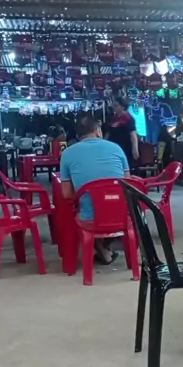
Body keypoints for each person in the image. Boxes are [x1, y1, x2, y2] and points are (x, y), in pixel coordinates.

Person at [60, 113, 130, 264]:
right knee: (110, 205)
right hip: (121, 216)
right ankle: (106, 250)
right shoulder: (116, 148)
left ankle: (102, 250)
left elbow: (67, 194)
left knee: (86, 210)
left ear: (78, 136)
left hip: (90, 220)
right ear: (98, 131)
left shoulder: (67, 154)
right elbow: (128, 185)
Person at [106, 98, 139, 168]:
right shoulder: (113, 118)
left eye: (116, 105)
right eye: (113, 105)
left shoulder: (128, 118)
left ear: (123, 107)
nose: (113, 107)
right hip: (113, 148)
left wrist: (135, 149)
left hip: (125, 147)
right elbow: (109, 133)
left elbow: (133, 134)